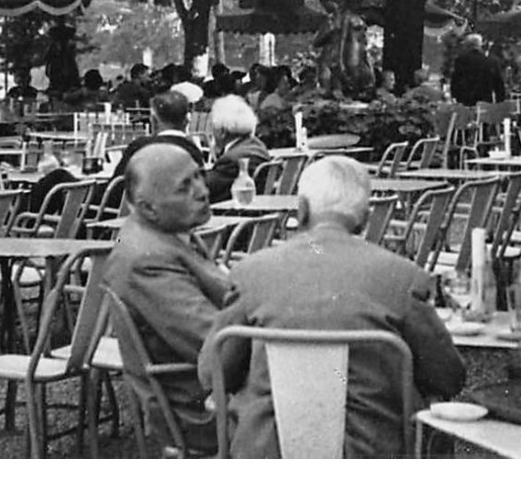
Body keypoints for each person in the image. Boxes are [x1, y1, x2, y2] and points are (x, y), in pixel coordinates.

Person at [199, 156, 466, 458]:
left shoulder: (251, 272)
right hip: (374, 452)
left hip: (268, 453)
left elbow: (213, 373)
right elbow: (448, 376)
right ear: (365, 217)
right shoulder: (402, 275)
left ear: (301, 210)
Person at [106, 144, 231, 455]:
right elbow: (215, 343)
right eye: (184, 187)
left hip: (212, 389)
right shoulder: (146, 259)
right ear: (148, 208)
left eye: (199, 177)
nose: (203, 191)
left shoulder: (166, 234)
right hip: (199, 409)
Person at [109, 88, 205, 181]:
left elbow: (116, 187)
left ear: (153, 121)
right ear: (186, 121)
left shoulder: (139, 147)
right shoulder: (193, 151)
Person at [202, 94, 269, 203]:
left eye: (213, 128)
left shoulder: (232, 160)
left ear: (222, 132)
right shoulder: (258, 146)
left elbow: (207, 187)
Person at [448, 33, 506, 106]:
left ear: (467, 46)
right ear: (480, 45)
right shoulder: (491, 62)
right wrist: (499, 103)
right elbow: (499, 85)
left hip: (465, 103)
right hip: (485, 103)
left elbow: (455, 82)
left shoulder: (460, 61)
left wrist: (456, 98)